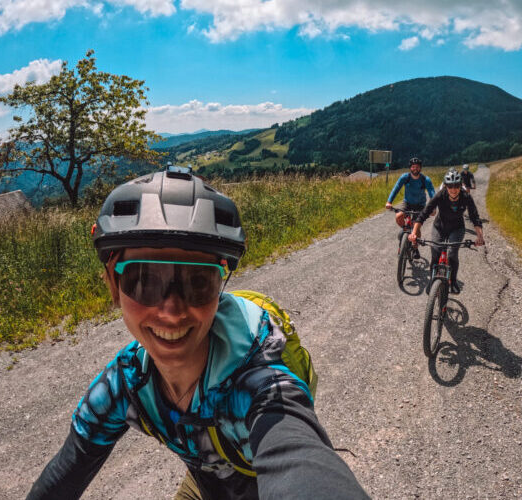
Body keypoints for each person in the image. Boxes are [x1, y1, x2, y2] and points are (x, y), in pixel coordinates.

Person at [26, 166, 368, 500]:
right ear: (113, 285)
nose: (172, 312)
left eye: (198, 282)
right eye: (145, 281)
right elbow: (65, 473)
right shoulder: (126, 385)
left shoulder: (258, 385)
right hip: (209, 482)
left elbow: (300, 456)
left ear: (220, 287)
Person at [409, 169, 484, 294]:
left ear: (460, 186)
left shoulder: (466, 197)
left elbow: (475, 217)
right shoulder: (440, 195)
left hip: (457, 229)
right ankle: (433, 280)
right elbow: (424, 214)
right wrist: (414, 233)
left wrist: (479, 236)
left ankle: (453, 281)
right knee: (435, 252)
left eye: (456, 186)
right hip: (439, 227)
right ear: (445, 186)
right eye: (450, 186)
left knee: (452, 254)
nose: (453, 189)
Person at [384, 157, 436, 259]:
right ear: (410, 168)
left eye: (417, 167)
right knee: (398, 216)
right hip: (407, 202)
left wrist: (433, 208)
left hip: (420, 205)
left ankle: (415, 248)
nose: (415, 169)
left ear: (420, 168)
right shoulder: (405, 177)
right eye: (413, 167)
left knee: (416, 226)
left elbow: (432, 193)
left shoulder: (425, 180)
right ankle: (405, 230)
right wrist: (389, 202)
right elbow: (396, 188)